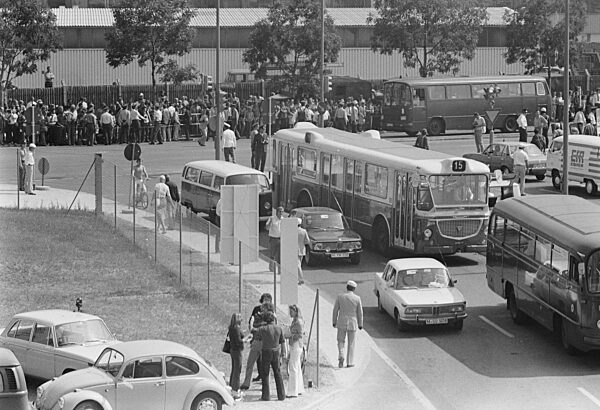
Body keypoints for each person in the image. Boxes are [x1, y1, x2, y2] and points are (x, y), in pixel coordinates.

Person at [241, 293, 273, 389]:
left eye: (268, 300)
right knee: (251, 362)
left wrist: (254, 327)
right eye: (264, 300)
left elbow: (256, 327)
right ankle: (247, 383)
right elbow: (252, 323)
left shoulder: (271, 316)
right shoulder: (257, 312)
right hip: (256, 341)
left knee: (265, 364)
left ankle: (265, 384)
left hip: (264, 343)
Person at [332, 280, 363, 368]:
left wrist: (334, 321)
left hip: (341, 321)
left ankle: (341, 355)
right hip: (352, 323)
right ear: (354, 289)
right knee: (351, 343)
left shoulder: (340, 296)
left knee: (340, 340)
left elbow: (335, 310)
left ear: (347, 287)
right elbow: (360, 312)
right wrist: (360, 324)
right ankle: (350, 362)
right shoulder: (357, 298)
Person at [256, 311, 286, 401]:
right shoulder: (279, 328)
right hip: (276, 351)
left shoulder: (262, 329)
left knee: (265, 373)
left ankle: (266, 395)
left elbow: (257, 339)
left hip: (266, 351)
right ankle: (281, 395)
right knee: (277, 373)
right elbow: (282, 341)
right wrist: (283, 352)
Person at [286, 304, 305, 399]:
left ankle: (293, 391)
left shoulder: (298, 322)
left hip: (296, 345)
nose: (290, 313)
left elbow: (300, 335)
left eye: (291, 311)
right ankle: (299, 388)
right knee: (296, 366)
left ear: (296, 311)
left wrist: (290, 335)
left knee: (292, 367)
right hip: (294, 344)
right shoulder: (295, 321)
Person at [227, 313, 247, 400]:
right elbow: (239, 341)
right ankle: (235, 390)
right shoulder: (236, 329)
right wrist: (246, 339)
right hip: (237, 350)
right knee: (237, 370)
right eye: (240, 318)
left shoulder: (232, 328)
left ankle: (232, 387)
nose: (241, 320)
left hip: (232, 350)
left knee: (234, 369)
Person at [265, 207, 283, 272]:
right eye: (280, 211)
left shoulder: (283, 219)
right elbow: (267, 228)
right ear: (277, 212)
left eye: (282, 211)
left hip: (281, 238)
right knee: (273, 254)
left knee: (280, 255)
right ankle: (271, 268)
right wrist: (270, 223)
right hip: (273, 239)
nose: (281, 213)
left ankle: (279, 270)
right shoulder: (272, 218)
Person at [297, 217, 310, 285]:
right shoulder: (304, 231)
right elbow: (307, 241)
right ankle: (299, 278)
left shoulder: (292, 231)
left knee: (297, 265)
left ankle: (301, 279)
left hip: (294, 250)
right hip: (302, 250)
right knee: (299, 265)